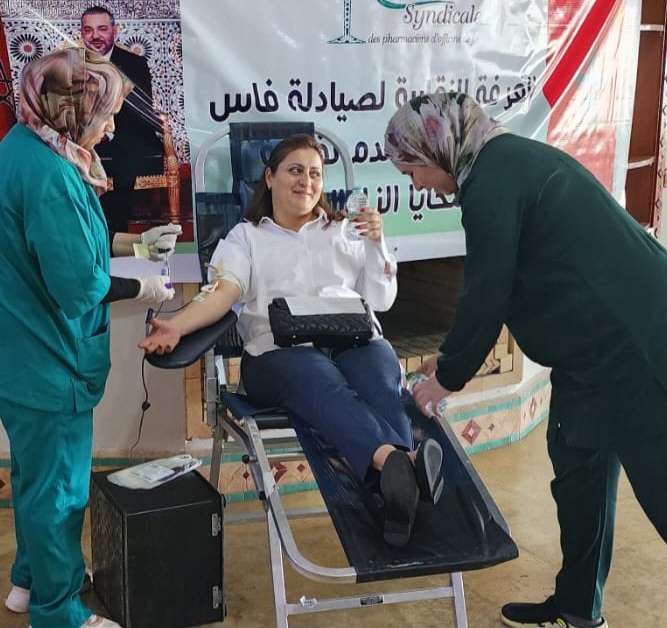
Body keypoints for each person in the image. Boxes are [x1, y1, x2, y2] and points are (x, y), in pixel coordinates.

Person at [384, 91, 667, 628]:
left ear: (435, 147)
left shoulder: (494, 177)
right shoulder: (498, 165)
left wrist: (448, 375)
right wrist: (449, 356)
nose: (417, 186)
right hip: (592, 353)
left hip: (640, 344)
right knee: (578, 470)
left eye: (413, 172)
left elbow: (487, 291)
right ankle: (578, 606)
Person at [140, 133, 444, 546]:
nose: (307, 181)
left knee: (379, 376)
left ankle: (394, 488)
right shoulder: (246, 238)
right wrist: (178, 325)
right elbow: (223, 293)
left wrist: (376, 244)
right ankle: (400, 460)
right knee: (319, 377)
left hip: (353, 338)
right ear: (270, 177)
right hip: (278, 354)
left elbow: (380, 301)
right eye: (295, 170)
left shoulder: (346, 230)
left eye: (315, 173)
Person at [0, 47, 175, 628]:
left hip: (14, 352)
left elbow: (60, 242)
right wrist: (144, 286)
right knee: (59, 491)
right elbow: (79, 285)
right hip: (43, 359)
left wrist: (133, 245)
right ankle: (58, 612)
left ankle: (30, 581)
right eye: (106, 115)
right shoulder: (52, 175)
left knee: (36, 478)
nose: (111, 128)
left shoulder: (28, 146)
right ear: (71, 108)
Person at [79, 5, 163, 235]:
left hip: (125, 133)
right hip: (86, 135)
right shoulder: (70, 63)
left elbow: (140, 111)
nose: (95, 36)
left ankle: (115, 225)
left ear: (114, 31)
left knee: (127, 150)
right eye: (89, 30)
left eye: (102, 29)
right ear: (81, 33)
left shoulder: (135, 64)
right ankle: (87, 224)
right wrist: (92, 131)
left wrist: (108, 131)